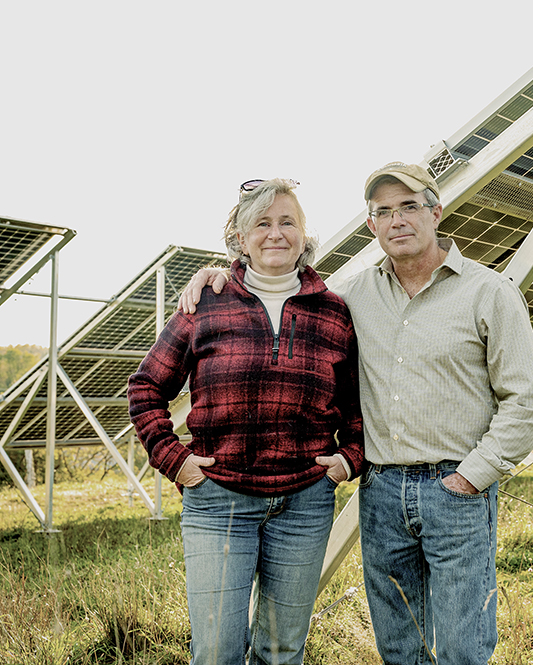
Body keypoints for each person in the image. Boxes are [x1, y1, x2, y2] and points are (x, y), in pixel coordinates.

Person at [179, 163, 533, 665]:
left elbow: (527, 400)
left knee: (464, 647)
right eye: (383, 212)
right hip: (381, 495)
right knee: (399, 645)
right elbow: (283, 288)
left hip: (457, 490)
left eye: (410, 207)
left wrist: (470, 478)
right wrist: (221, 275)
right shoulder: (349, 296)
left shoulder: (489, 292)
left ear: (436, 212)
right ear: (371, 225)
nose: (397, 220)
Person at [129, 178, 364, 665]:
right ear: (240, 236)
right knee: (216, 652)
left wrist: (348, 459)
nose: (275, 233)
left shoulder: (335, 313)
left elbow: (359, 405)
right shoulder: (205, 304)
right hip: (218, 501)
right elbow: (146, 387)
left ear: (304, 235)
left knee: (282, 651)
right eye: (262, 223)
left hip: (305, 502)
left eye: (287, 222)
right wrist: (177, 460)